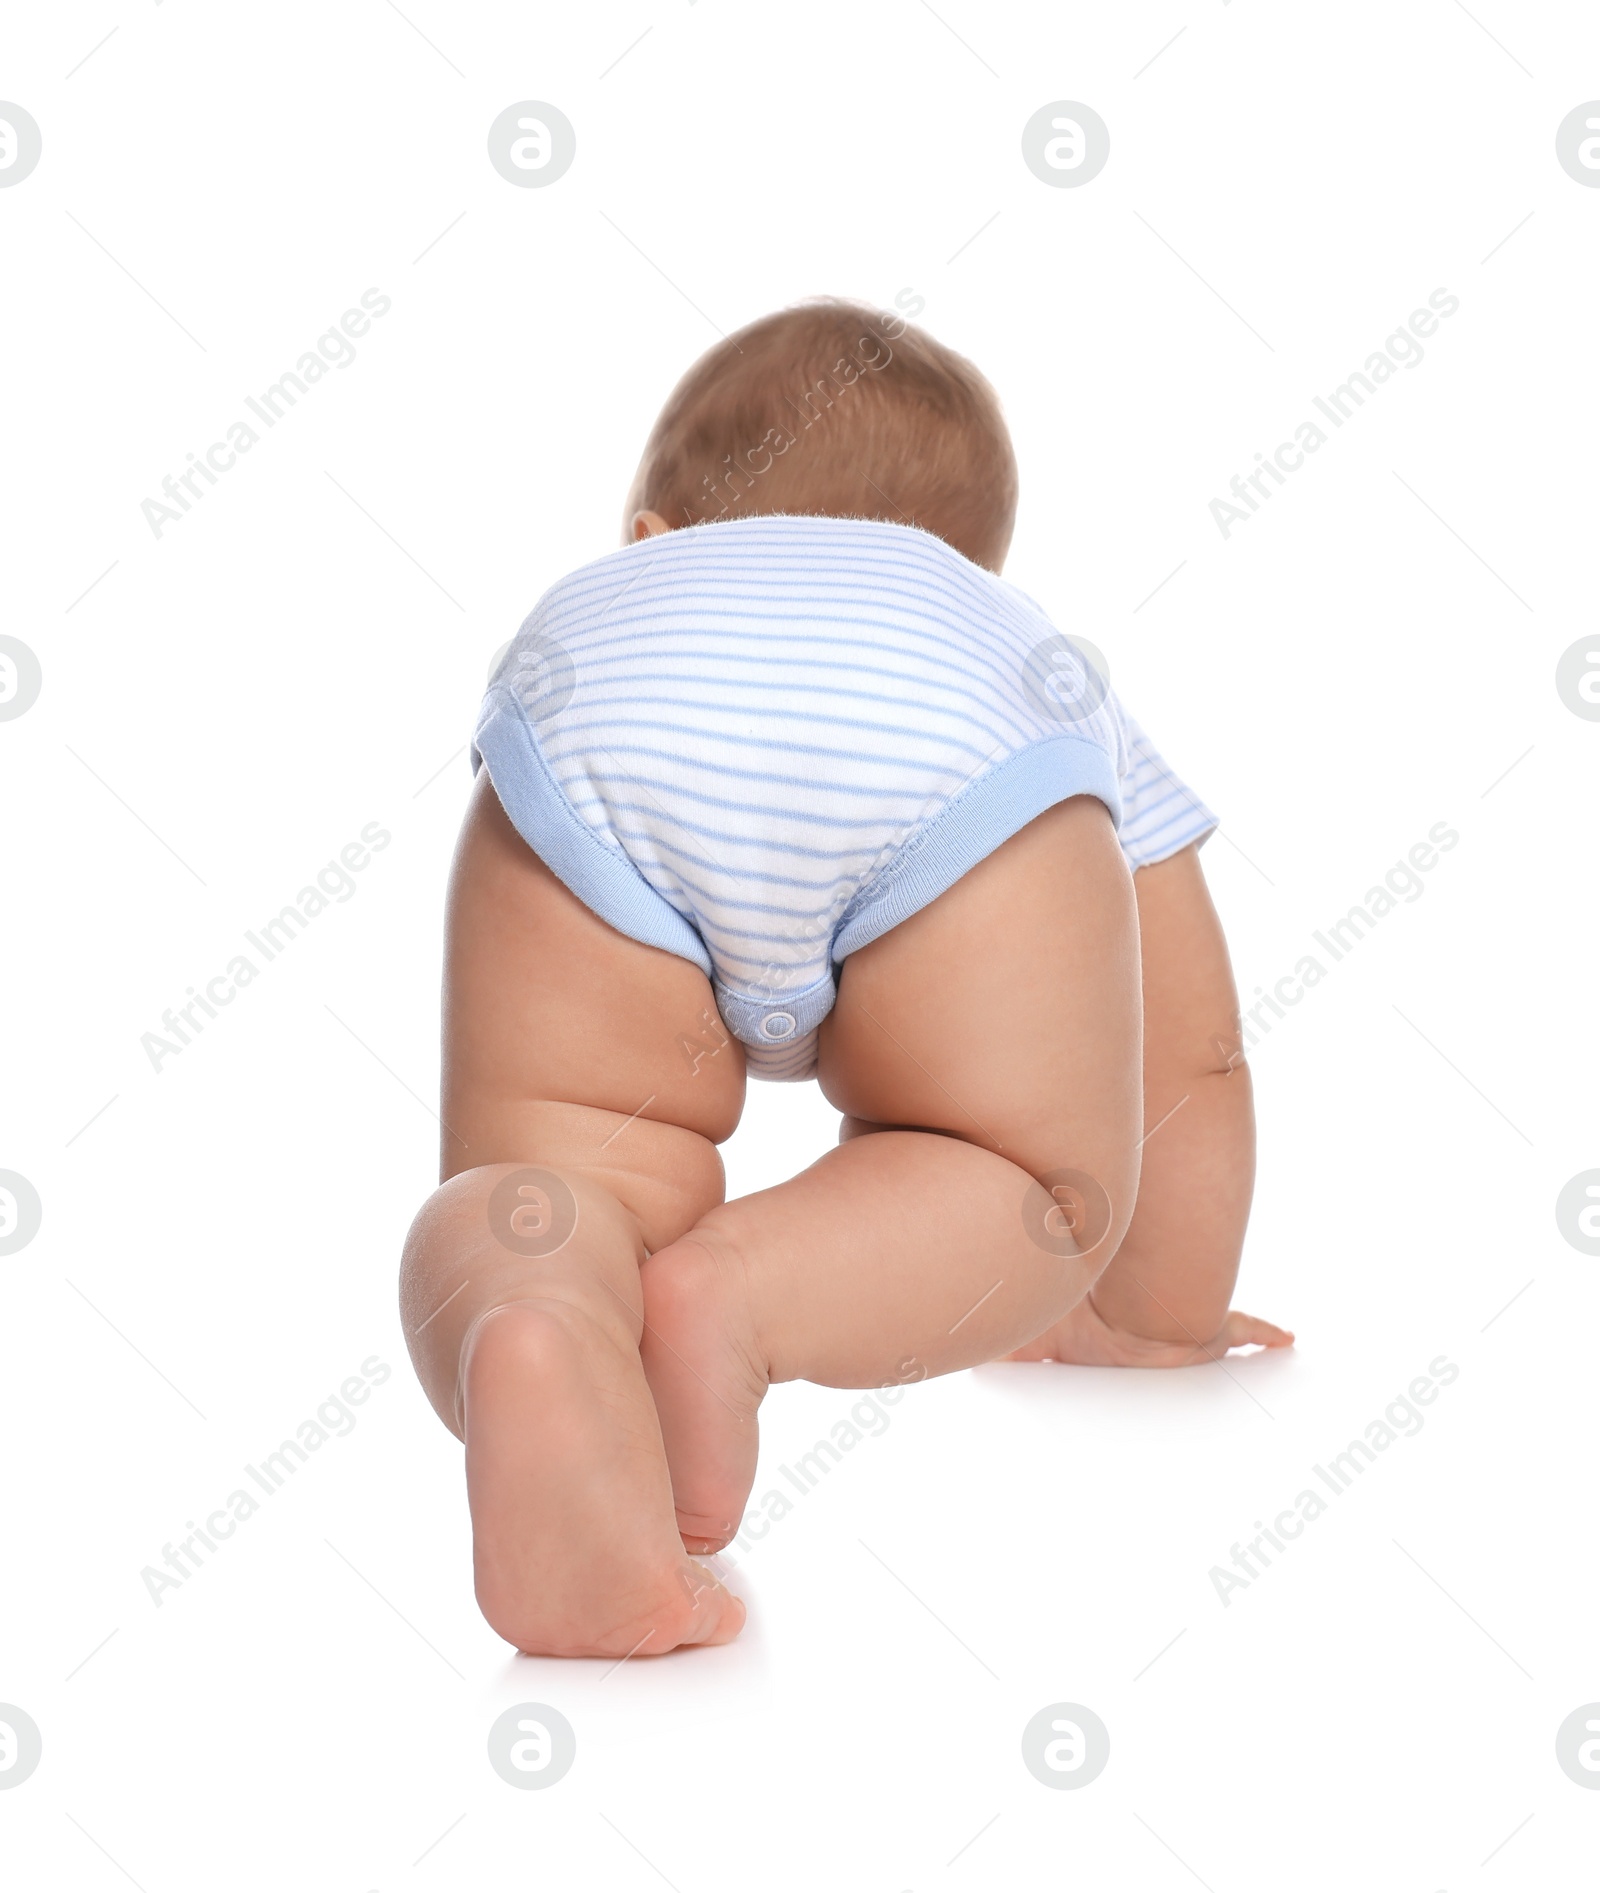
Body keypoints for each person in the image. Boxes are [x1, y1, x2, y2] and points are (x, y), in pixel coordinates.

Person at [399, 299, 1292, 1658]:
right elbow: (1192, 1043)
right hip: (949, 771)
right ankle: (742, 1297)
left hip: (599, 729)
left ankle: (534, 1305)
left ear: (652, 539)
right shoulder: (1004, 649)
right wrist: (1150, 1312)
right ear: (970, 573)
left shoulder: (626, 599)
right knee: (1019, 1180)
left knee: (545, 1185)